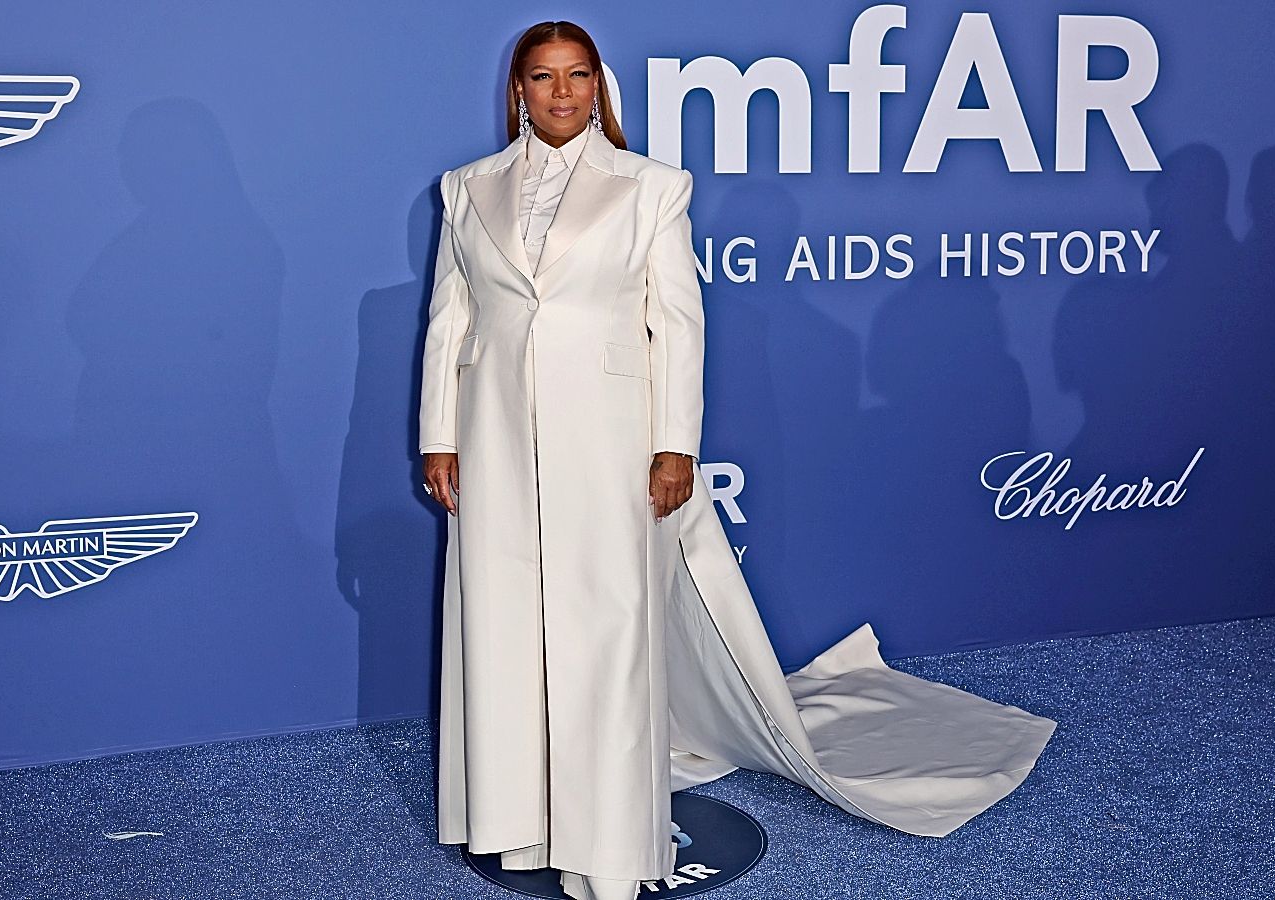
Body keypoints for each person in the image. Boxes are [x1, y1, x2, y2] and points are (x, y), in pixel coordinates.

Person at [417, 21, 1057, 900]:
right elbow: (450, 322)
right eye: (542, 77)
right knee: (500, 630)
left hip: (609, 442)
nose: (560, 93)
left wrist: (676, 444)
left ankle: (606, 843)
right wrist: (439, 434)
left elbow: (679, 324)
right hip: (490, 443)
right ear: (517, 90)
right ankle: (518, 826)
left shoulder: (651, 187)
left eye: (576, 76)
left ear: (599, 87)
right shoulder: (465, 190)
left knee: (607, 639)